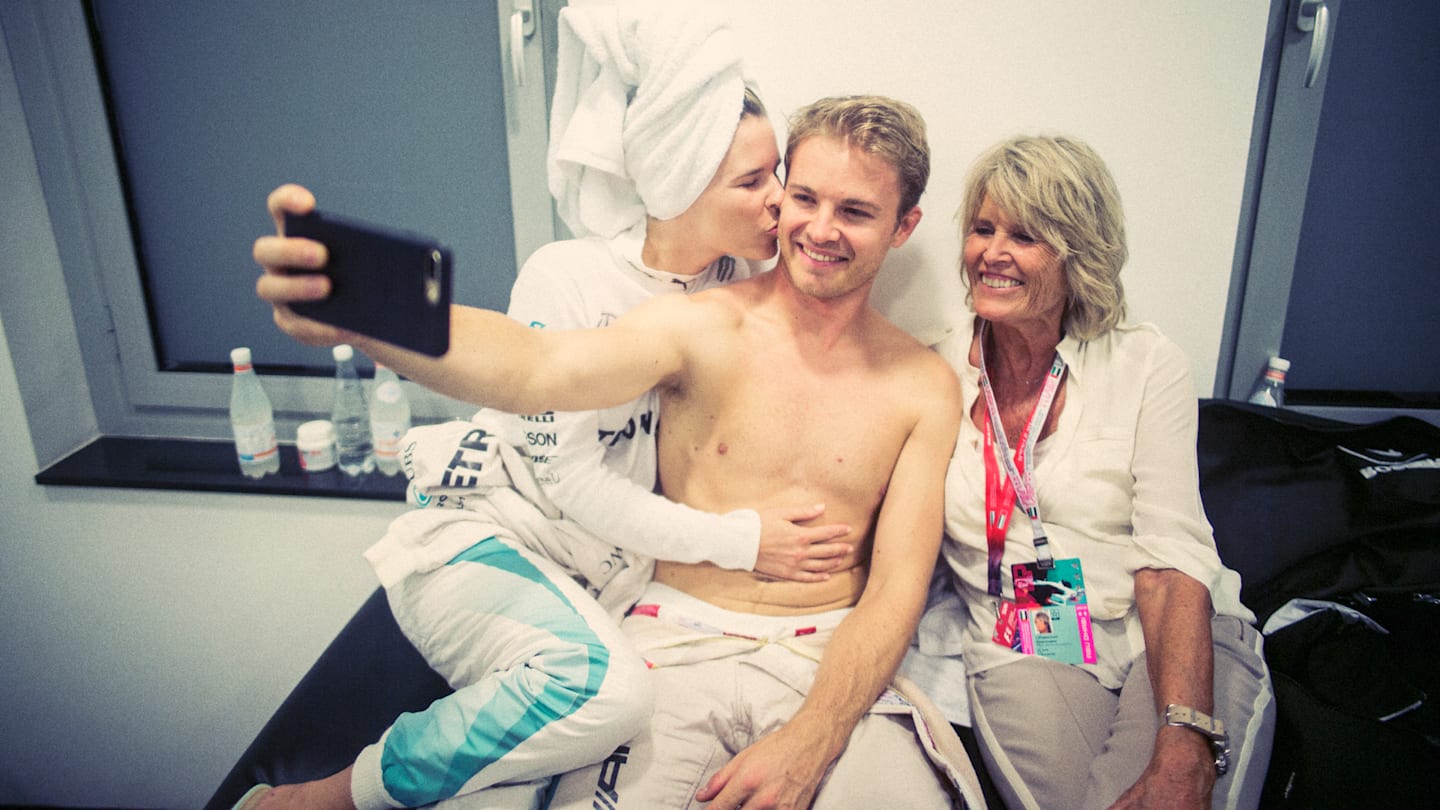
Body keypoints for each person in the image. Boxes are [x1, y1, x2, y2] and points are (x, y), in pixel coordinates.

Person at [258, 94, 978, 810]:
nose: (820, 229)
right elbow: (537, 366)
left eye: (854, 212)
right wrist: (365, 312)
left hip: (827, 659)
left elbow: (896, 591)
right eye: (805, 198)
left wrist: (814, 738)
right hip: (673, 648)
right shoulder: (699, 324)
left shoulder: (924, 386)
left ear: (903, 226)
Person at [914, 134, 1275, 810]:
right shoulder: (932, 372)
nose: (992, 252)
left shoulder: (1146, 364)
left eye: (1025, 236)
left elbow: (1170, 559)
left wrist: (1183, 738)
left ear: (1078, 251)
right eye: (983, 228)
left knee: (1180, 790)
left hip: (1163, 625)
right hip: (1027, 626)